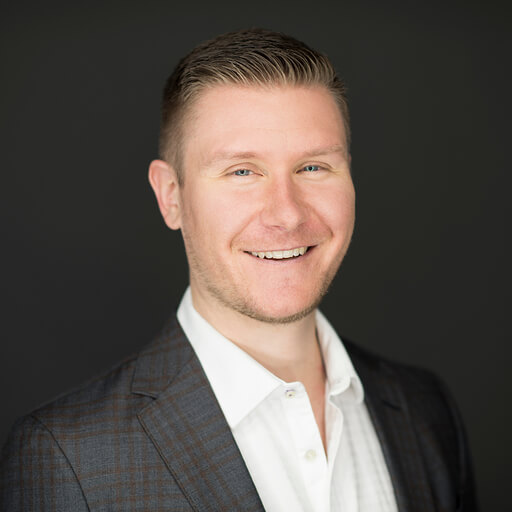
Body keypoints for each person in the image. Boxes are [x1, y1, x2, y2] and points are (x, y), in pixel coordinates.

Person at [0, 29, 478, 511]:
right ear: (171, 196)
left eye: (313, 167)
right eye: (242, 171)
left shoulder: (425, 408)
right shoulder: (68, 456)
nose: (287, 214)